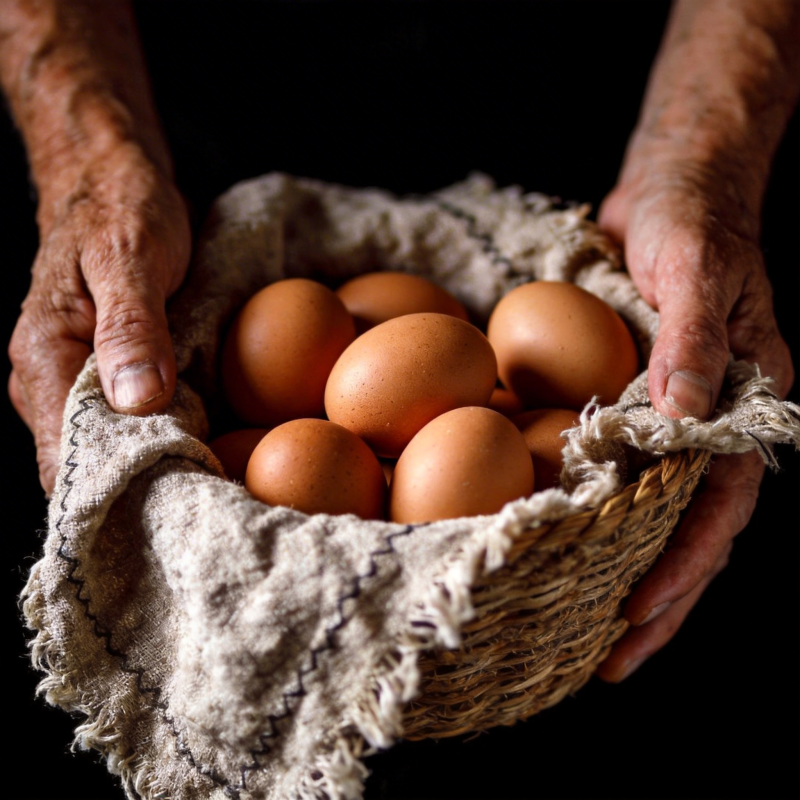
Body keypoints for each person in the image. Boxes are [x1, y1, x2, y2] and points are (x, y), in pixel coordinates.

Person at [0, 0, 797, 693]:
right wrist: (92, 167)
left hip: (579, 108)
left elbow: (427, 418)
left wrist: (702, 160)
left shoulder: (460, 385)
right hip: (202, 116)